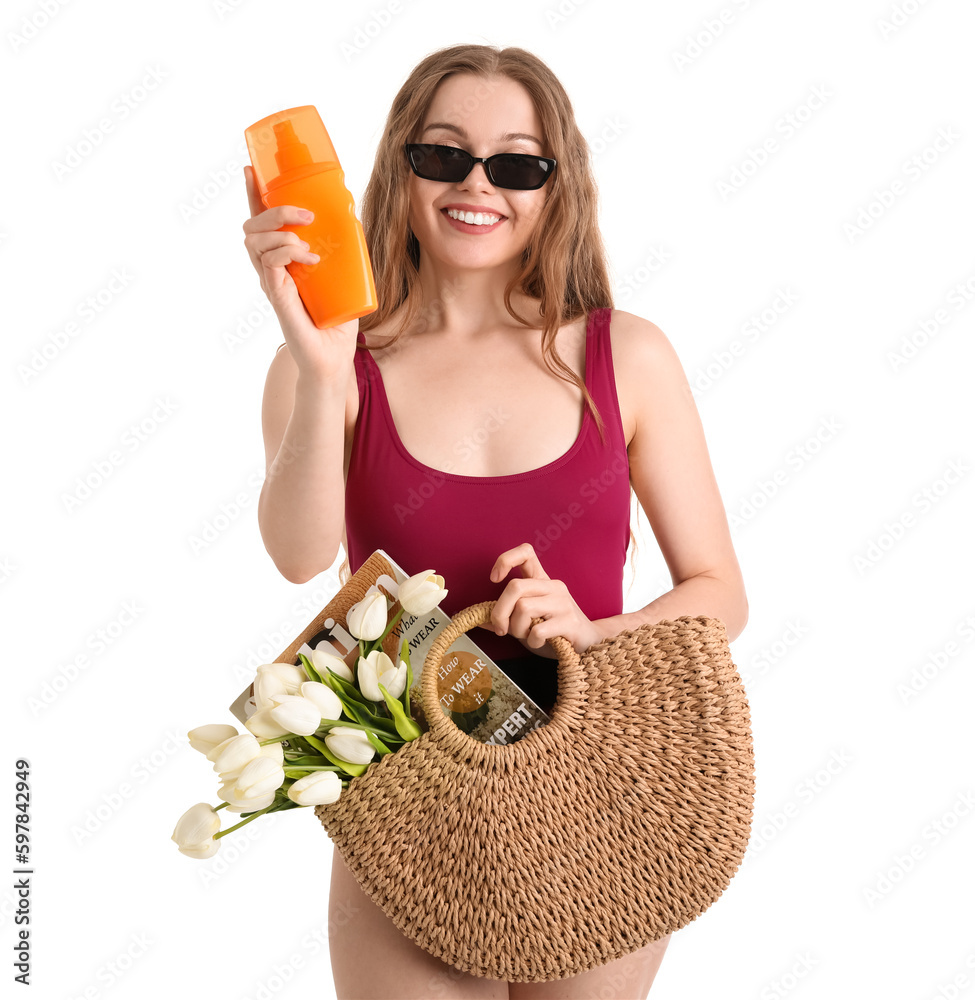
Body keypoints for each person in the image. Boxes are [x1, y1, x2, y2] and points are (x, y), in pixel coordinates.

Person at [243, 42, 747, 1000]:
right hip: (407, 785)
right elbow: (297, 555)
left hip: (595, 784)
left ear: (557, 186)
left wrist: (595, 631)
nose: (478, 186)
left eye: (517, 164)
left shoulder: (624, 356)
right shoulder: (334, 364)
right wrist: (317, 367)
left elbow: (721, 595)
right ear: (400, 166)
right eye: (444, 155)